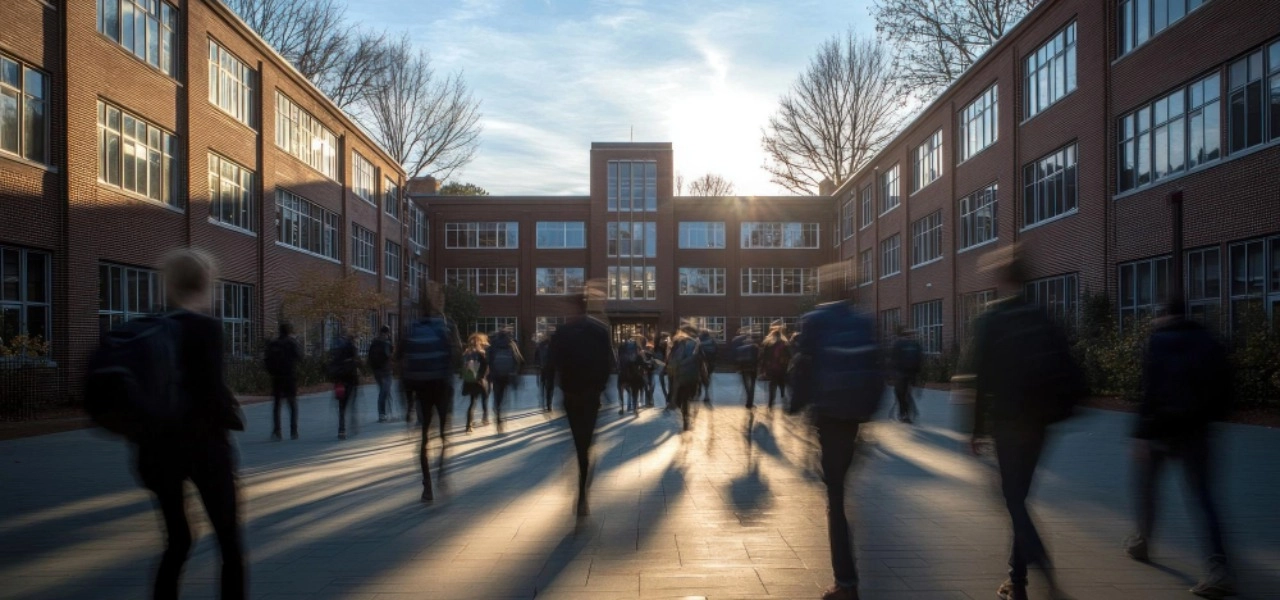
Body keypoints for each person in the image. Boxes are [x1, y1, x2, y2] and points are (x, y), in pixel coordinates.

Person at [966, 244, 1083, 600]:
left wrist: (975, 430)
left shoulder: (991, 318)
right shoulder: (1043, 316)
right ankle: (1017, 581)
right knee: (1019, 497)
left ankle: (1044, 572)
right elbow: (1067, 364)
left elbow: (978, 379)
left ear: (1002, 279)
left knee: (1014, 501)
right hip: (1040, 422)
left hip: (1007, 421)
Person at [136, 249, 247, 599]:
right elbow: (210, 391)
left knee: (178, 541)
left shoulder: (148, 327)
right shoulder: (204, 327)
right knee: (229, 542)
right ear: (205, 283)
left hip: (155, 451)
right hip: (204, 448)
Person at [1124, 301, 1236, 598]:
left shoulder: (1158, 342)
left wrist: (1141, 435)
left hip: (1162, 430)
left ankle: (1142, 541)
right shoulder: (1210, 341)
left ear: (1163, 316)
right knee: (1204, 498)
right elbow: (1225, 389)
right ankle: (1218, 567)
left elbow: (1150, 390)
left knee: (1147, 487)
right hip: (1198, 432)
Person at [789, 281, 883, 600]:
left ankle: (845, 583)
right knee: (840, 486)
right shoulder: (862, 320)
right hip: (854, 415)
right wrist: (869, 411)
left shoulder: (815, 319)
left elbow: (802, 365)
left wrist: (795, 405)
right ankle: (845, 581)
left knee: (836, 497)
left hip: (829, 416)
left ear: (825, 294)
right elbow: (877, 366)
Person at [548, 281, 615, 517]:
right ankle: (583, 488)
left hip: (572, 396)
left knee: (579, 443)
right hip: (589, 396)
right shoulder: (599, 331)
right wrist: (600, 388)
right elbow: (608, 364)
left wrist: (557, 390)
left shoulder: (563, 332)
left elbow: (553, 364)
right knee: (585, 444)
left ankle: (582, 486)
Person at [396, 283, 460, 503]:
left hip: (420, 390)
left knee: (423, 439)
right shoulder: (447, 326)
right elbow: (457, 358)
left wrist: (407, 402)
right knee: (444, 436)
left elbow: (399, 361)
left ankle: (427, 487)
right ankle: (441, 471)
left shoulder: (411, 327)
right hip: (442, 388)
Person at [265, 322, 302, 441]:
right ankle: (293, 431)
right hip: (289, 376)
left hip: (277, 377)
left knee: (277, 405)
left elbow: (266, 360)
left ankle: (277, 430)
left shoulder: (273, 343)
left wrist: (272, 372)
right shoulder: (292, 343)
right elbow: (300, 357)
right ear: (289, 331)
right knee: (292, 404)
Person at [486, 328, 523, 433]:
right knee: (505, 397)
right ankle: (502, 416)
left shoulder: (493, 345)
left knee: (497, 395)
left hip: (496, 375)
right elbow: (518, 359)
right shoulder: (511, 344)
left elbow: (488, 360)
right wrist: (516, 373)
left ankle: (497, 414)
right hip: (507, 375)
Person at [667, 324, 703, 431]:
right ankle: (687, 417)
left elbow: (670, 361)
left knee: (682, 399)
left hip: (679, 378)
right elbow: (701, 361)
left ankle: (684, 416)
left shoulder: (676, 344)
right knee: (688, 397)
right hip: (692, 377)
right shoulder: (695, 343)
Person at [327, 333, 360, 440]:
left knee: (341, 406)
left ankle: (342, 430)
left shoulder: (337, 350)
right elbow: (357, 362)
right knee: (352, 403)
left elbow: (331, 364)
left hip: (339, 381)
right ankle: (353, 423)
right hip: (351, 380)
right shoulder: (351, 348)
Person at [889, 328, 923, 423]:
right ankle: (907, 413)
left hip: (900, 374)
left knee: (901, 395)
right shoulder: (916, 345)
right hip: (911, 374)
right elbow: (920, 360)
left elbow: (893, 360)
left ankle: (904, 414)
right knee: (906, 394)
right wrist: (917, 376)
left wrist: (891, 375)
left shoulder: (898, 345)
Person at [460, 333, 491, 432]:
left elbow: (462, 368)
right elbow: (486, 367)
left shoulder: (466, 353)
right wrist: (482, 376)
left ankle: (468, 425)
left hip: (469, 380)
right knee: (485, 399)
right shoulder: (481, 353)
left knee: (472, 402)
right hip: (480, 381)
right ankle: (485, 418)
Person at [760, 324, 792, 410]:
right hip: (782, 367)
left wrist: (763, 369)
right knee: (781, 382)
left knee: (772, 384)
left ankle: (771, 402)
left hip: (772, 367)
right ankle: (782, 395)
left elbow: (764, 357)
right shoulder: (785, 344)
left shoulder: (769, 344)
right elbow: (790, 356)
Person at [368, 325, 395, 422]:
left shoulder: (374, 343)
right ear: (386, 333)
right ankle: (383, 414)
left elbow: (369, 357)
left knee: (383, 391)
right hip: (386, 371)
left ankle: (384, 413)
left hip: (377, 371)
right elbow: (390, 355)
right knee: (384, 392)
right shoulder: (386, 343)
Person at [731, 328, 760, 408]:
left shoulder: (740, 346)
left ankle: (748, 400)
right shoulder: (755, 346)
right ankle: (750, 402)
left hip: (744, 367)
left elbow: (735, 356)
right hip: (753, 368)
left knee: (746, 385)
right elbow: (758, 358)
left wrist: (737, 366)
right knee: (752, 385)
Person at [617, 335, 645, 414]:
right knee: (635, 391)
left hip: (623, 375)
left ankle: (622, 407)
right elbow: (642, 365)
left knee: (620, 389)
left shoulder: (622, 351)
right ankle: (635, 408)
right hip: (634, 376)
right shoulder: (638, 355)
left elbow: (619, 363)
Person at [697, 328, 719, 404]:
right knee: (707, 377)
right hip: (711, 362)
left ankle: (698, 391)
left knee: (699, 377)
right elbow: (716, 351)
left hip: (701, 361)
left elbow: (696, 351)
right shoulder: (713, 341)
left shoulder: (698, 341)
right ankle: (706, 395)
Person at [535, 333, 555, 413]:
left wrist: (538, 365)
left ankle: (543, 402)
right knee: (550, 387)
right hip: (551, 369)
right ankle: (549, 404)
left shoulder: (540, 345)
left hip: (542, 368)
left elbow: (536, 357)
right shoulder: (554, 345)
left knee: (543, 385)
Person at [653, 332, 672, 404]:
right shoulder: (658, 348)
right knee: (663, 384)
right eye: (662, 338)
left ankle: (668, 397)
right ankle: (667, 397)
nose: (663, 340)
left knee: (667, 384)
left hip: (666, 366)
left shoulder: (667, 347)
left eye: (664, 338)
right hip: (662, 367)